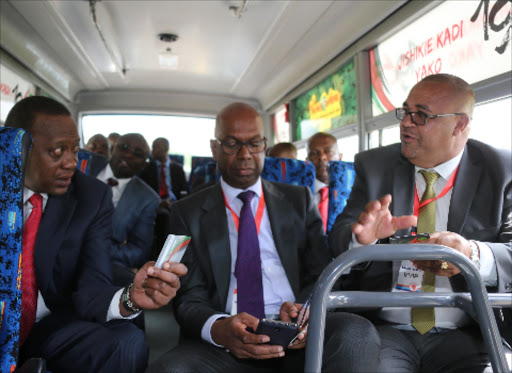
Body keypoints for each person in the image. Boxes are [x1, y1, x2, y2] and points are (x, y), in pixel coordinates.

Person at [147, 102, 380, 373]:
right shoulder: (186, 212)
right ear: (215, 149)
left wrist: (305, 311)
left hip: (296, 332)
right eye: (232, 144)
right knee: (170, 368)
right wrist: (220, 328)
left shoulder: (298, 200)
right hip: (226, 339)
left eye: (254, 143)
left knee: (356, 333)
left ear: (265, 146)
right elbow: (189, 298)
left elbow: (321, 273)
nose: (245, 154)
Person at [329, 73, 512, 372]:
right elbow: (337, 237)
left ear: (460, 124)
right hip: (388, 329)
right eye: (405, 112)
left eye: (421, 115)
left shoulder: (502, 171)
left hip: (468, 329)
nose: (405, 123)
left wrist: (472, 255)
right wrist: (362, 242)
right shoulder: (374, 166)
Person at [4, 96, 187, 373]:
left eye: (74, 150)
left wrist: (129, 298)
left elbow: (94, 281)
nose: (70, 163)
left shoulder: (90, 196)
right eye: (57, 151)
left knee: (126, 342)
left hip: (46, 323)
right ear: (19, 148)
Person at [93, 133, 160, 271]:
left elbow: (139, 253)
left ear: (144, 165)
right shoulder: (85, 165)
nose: (128, 155)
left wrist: (96, 247)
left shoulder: (147, 198)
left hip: (102, 265)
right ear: (112, 149)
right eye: (124, 148)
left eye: (137, 153)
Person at [139, 137, 188, 255]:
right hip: (155, 204)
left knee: (185, 217)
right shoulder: (146, 169)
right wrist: (159, 201)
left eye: (156, 147)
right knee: (164, 216)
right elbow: (143, 193)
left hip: (174, 203)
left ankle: (180, 256)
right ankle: (164, 256)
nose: (152, 150)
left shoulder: (177, 169)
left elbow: (184, 191)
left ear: (165, 149)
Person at [307, 132, 342, 231]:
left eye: (328, 151)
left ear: (340, 157)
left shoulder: (353, 192)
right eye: (314, 153)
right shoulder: (298, 193)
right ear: (307, 160)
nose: (322, 157)